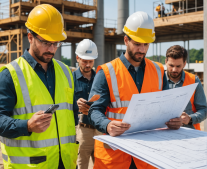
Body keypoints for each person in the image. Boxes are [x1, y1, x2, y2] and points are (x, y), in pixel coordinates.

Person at [88, 11, 182, 169]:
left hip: (148, 156)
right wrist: (107, 125)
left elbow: (166, 109)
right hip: (116, 155)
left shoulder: (159, 71)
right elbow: (94, 110)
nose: (142, 49)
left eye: (146, 44)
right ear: (126, 40)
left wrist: (174, 120)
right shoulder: (106, 72)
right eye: (137, 43)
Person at [0, 4, 78, 169]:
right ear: (30, 37)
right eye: (45, 42)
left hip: (65, 163)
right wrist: (27, 125)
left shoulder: (65, 72)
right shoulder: (10, 74)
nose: (51, 49)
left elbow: (70, 117)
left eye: (55, 43)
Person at [72, 39, 102, 169]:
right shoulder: (70, 78)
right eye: (85, 61)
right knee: (81, 164)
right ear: (78, 58)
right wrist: (75, 103)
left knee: (101, 164)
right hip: (83, 130)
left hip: (100, 129)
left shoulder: (100, 78)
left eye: (90, 61)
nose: (88, 64)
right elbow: (64, 101)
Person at [165, 45, 207, 130]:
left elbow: (204, 110)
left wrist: (190, 119)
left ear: (184, 64)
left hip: (189, 133)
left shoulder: (194, 80)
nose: (174, 70)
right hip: (161, 133)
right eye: (171, 65)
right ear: (166, 62)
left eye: (178, 66)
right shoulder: (157, 80)